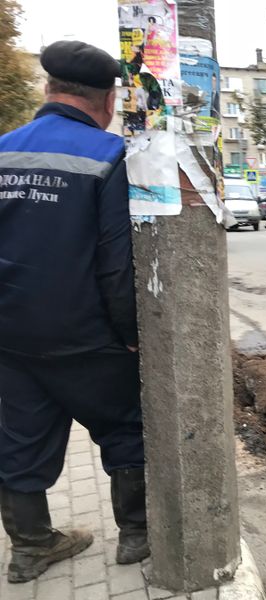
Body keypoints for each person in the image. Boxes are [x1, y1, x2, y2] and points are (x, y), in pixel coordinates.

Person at [0, 40, 149, 583]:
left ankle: (30, 548)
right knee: (126, 427)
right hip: (87, 336)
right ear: (107, 100)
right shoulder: (109, 157)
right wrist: (132, 334)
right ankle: (137, 535)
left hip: (12, 336)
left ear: (48, 89)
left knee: (17, 438)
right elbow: (116, 262)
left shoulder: (2, 150)